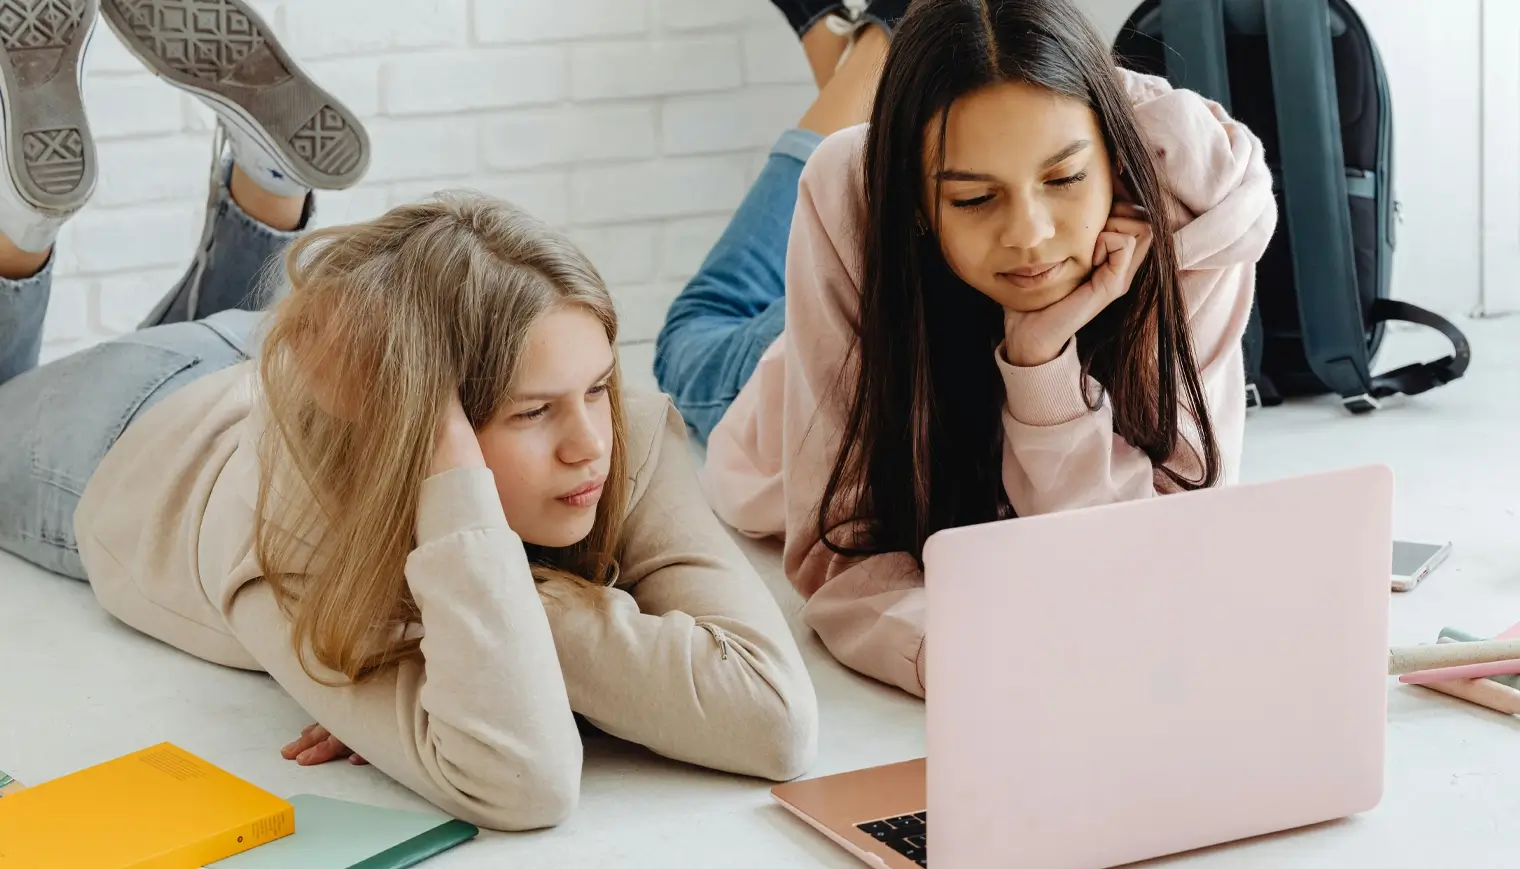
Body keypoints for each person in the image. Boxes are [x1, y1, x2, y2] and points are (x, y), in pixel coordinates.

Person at [0, 0, 817, 831]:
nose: (589, 445)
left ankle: (268, 179)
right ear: (428, 423)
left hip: (281, 349)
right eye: (532, 411)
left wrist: (473, 632)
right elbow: (525, 778)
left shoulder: (617, 438)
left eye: (600, 387)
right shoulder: (297, 522)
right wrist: (467, 633)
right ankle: (23, 223)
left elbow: (775, 720)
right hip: (133, 427)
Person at [655, 0, 1277, 698]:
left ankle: (866, 60)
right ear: (921, 206)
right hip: (838, 328)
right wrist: (981, 663)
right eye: (976, 199)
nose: (1032, 237)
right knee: (689, 339)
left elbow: (1149, 555)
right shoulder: (851, 197)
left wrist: (1041, 362)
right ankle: (862, 58)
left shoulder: (1193, 216)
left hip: (935, 254)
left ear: (1115, 159)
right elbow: (844, 560)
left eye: (1066, 180)